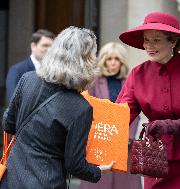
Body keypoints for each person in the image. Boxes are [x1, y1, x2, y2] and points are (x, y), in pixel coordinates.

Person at [1, 26, 114, 189]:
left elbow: (8, 125)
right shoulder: (81, 108)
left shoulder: (28, 79)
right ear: (87, 61)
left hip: (12, 179)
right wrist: (97, 171)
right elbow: (75, 165)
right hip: (48, 182)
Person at [116, 12, 180, 189]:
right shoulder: (138, 74)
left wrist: (175, 126)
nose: (149, 46)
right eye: (146, 40)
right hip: (155, 159)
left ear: (173, 41)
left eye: (156, 40)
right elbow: (120, 115)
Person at [80, 42, 142, 189]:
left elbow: (135, 112)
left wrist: (127, 137)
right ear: (103, 61)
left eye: (117, 59)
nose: (113, 63)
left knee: (125, 184)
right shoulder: (92, 83)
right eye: (109, 59)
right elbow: (86, 110)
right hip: (100, 141)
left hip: (125, 143)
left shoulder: (129, 82)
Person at [5, 29, 55, 103]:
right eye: (45, 45)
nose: (49, 50)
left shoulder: (54, 71)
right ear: (33, 46)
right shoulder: (17, 70)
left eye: (52, 46)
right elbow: (13, 101)